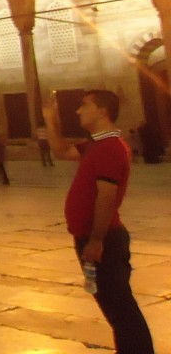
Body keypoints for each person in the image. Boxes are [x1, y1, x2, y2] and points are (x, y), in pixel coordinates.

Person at [42, 89, 154, 353]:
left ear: (102, 111)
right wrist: (51, 119)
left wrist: (96, 240)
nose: (79, 111)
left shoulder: (110, 147)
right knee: (116, 309)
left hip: (104, 241)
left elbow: (106, 196)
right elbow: (61, 151)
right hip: (94, 238)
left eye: (85, 105)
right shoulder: (96, 144)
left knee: (121, 310)